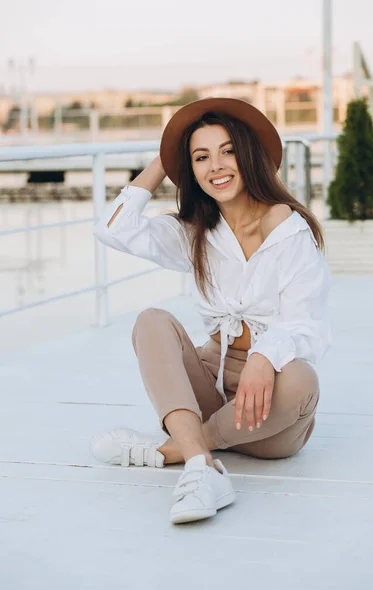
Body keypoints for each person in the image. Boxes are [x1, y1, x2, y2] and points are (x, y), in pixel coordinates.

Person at [90, 97, 332, 525]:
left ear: (249, 155)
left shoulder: (288, 228)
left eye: (227, 151)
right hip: (210, 383)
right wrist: (165, 159)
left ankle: (174, 449)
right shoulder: (196, 232)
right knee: (151, 321)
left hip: (270, 415)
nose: (216, 166)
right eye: (201, 158)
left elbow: (307, 327)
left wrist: (262, 355)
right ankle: (204, 467)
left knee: (301, 378)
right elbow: (113, 230)